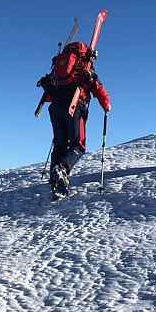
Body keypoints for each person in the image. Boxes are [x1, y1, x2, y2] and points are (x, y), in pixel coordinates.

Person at [38, 41, 111, 200]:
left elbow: (50, 94)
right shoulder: (84, 68)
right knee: (78, 145)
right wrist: (106, 105)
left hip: (56, 109)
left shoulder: (60, 70)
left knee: (60, 145)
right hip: (75, 106)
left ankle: (56, 182)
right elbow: (97, 87)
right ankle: (62, 169)